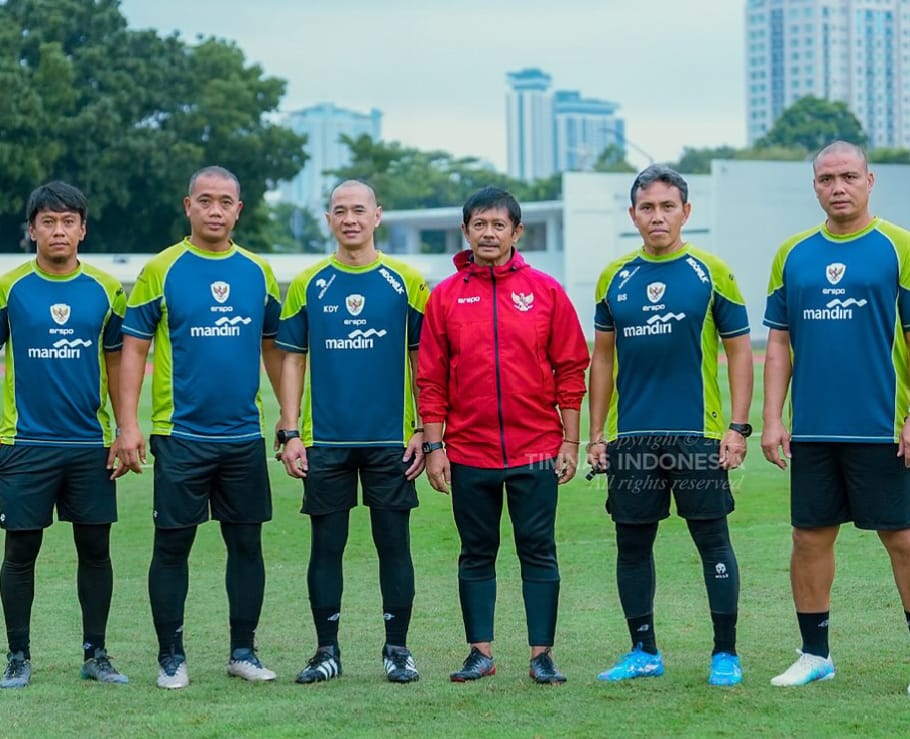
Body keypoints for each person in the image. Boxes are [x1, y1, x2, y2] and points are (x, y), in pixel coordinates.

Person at [117, 166, 283, 689]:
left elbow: (275, 349)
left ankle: (243, 651)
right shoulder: (161, 269)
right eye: (205, 200)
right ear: (187, 205)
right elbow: (134, 349)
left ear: (239, 210)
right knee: (172, 546)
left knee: (247, 546)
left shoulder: (258, 272)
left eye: (225, 201)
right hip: (180, 433)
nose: (215, 210)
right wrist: (128, 425)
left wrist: (291, 421)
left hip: (241, 436)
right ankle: (171, 656)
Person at [587, 165, 753, 687]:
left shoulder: (712, 271)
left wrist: (738, 427)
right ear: (633, 214)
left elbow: (741, 352)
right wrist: (597, 435)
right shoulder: (615, 276)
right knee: (632, 546)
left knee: (713, 542)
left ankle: (724, 654)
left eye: (667, 206)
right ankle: (643, 651)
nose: (657, 216)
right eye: (647, 207)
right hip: (633, 437)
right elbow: (603, 362)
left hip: (696, 435)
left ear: (686, 211)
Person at [417, 186, 589, 685]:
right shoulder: (446, 296)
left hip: (536, 449)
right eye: (479, 225)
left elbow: (572, 369)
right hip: (469, 452)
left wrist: (570, 442)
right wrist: (434, 447)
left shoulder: (545, 291)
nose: (488, 233)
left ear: (517, 232)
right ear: (465, 231)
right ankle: (480, 652)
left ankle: (542, 655)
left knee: (538, 549)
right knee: (476, 551)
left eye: (498, 225)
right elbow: (430, 380)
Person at [762, 141, 910, 690]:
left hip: (883, 426)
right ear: (815, 187)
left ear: (870, 180)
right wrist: (773, 418)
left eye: (848, 176)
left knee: (902, 539)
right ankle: (815, 654)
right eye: (826, 179)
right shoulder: (792, 254)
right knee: (809, 537)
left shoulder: (900, 247)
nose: (838, 187)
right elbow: (779, 343)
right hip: (816, 428)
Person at [276, 180, 428, 684]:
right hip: (326, 441)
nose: (350, 219)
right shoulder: (309, 283)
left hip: (391, 440)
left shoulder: (406, 281)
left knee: (394, 546)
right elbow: (292, 360)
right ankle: (326, 651)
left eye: (359, 210)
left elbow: (420, 361)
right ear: (329, 219)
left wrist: (425, 431)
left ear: (377, 215)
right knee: (326, 546)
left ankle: (398, 650)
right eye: (340, 211)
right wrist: (291, 432)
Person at [0, 181, 130, 688]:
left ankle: (96, 654)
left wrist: (125, 429)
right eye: (48, 221)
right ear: (31, 229)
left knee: (96, 550)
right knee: (19, 551)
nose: (58, 230)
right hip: (25, 442)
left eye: (68, 221)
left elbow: (118, 361)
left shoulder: (104, 289)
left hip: (89, 444)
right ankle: (18, 656)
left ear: (83, 229)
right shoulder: (10, 288)